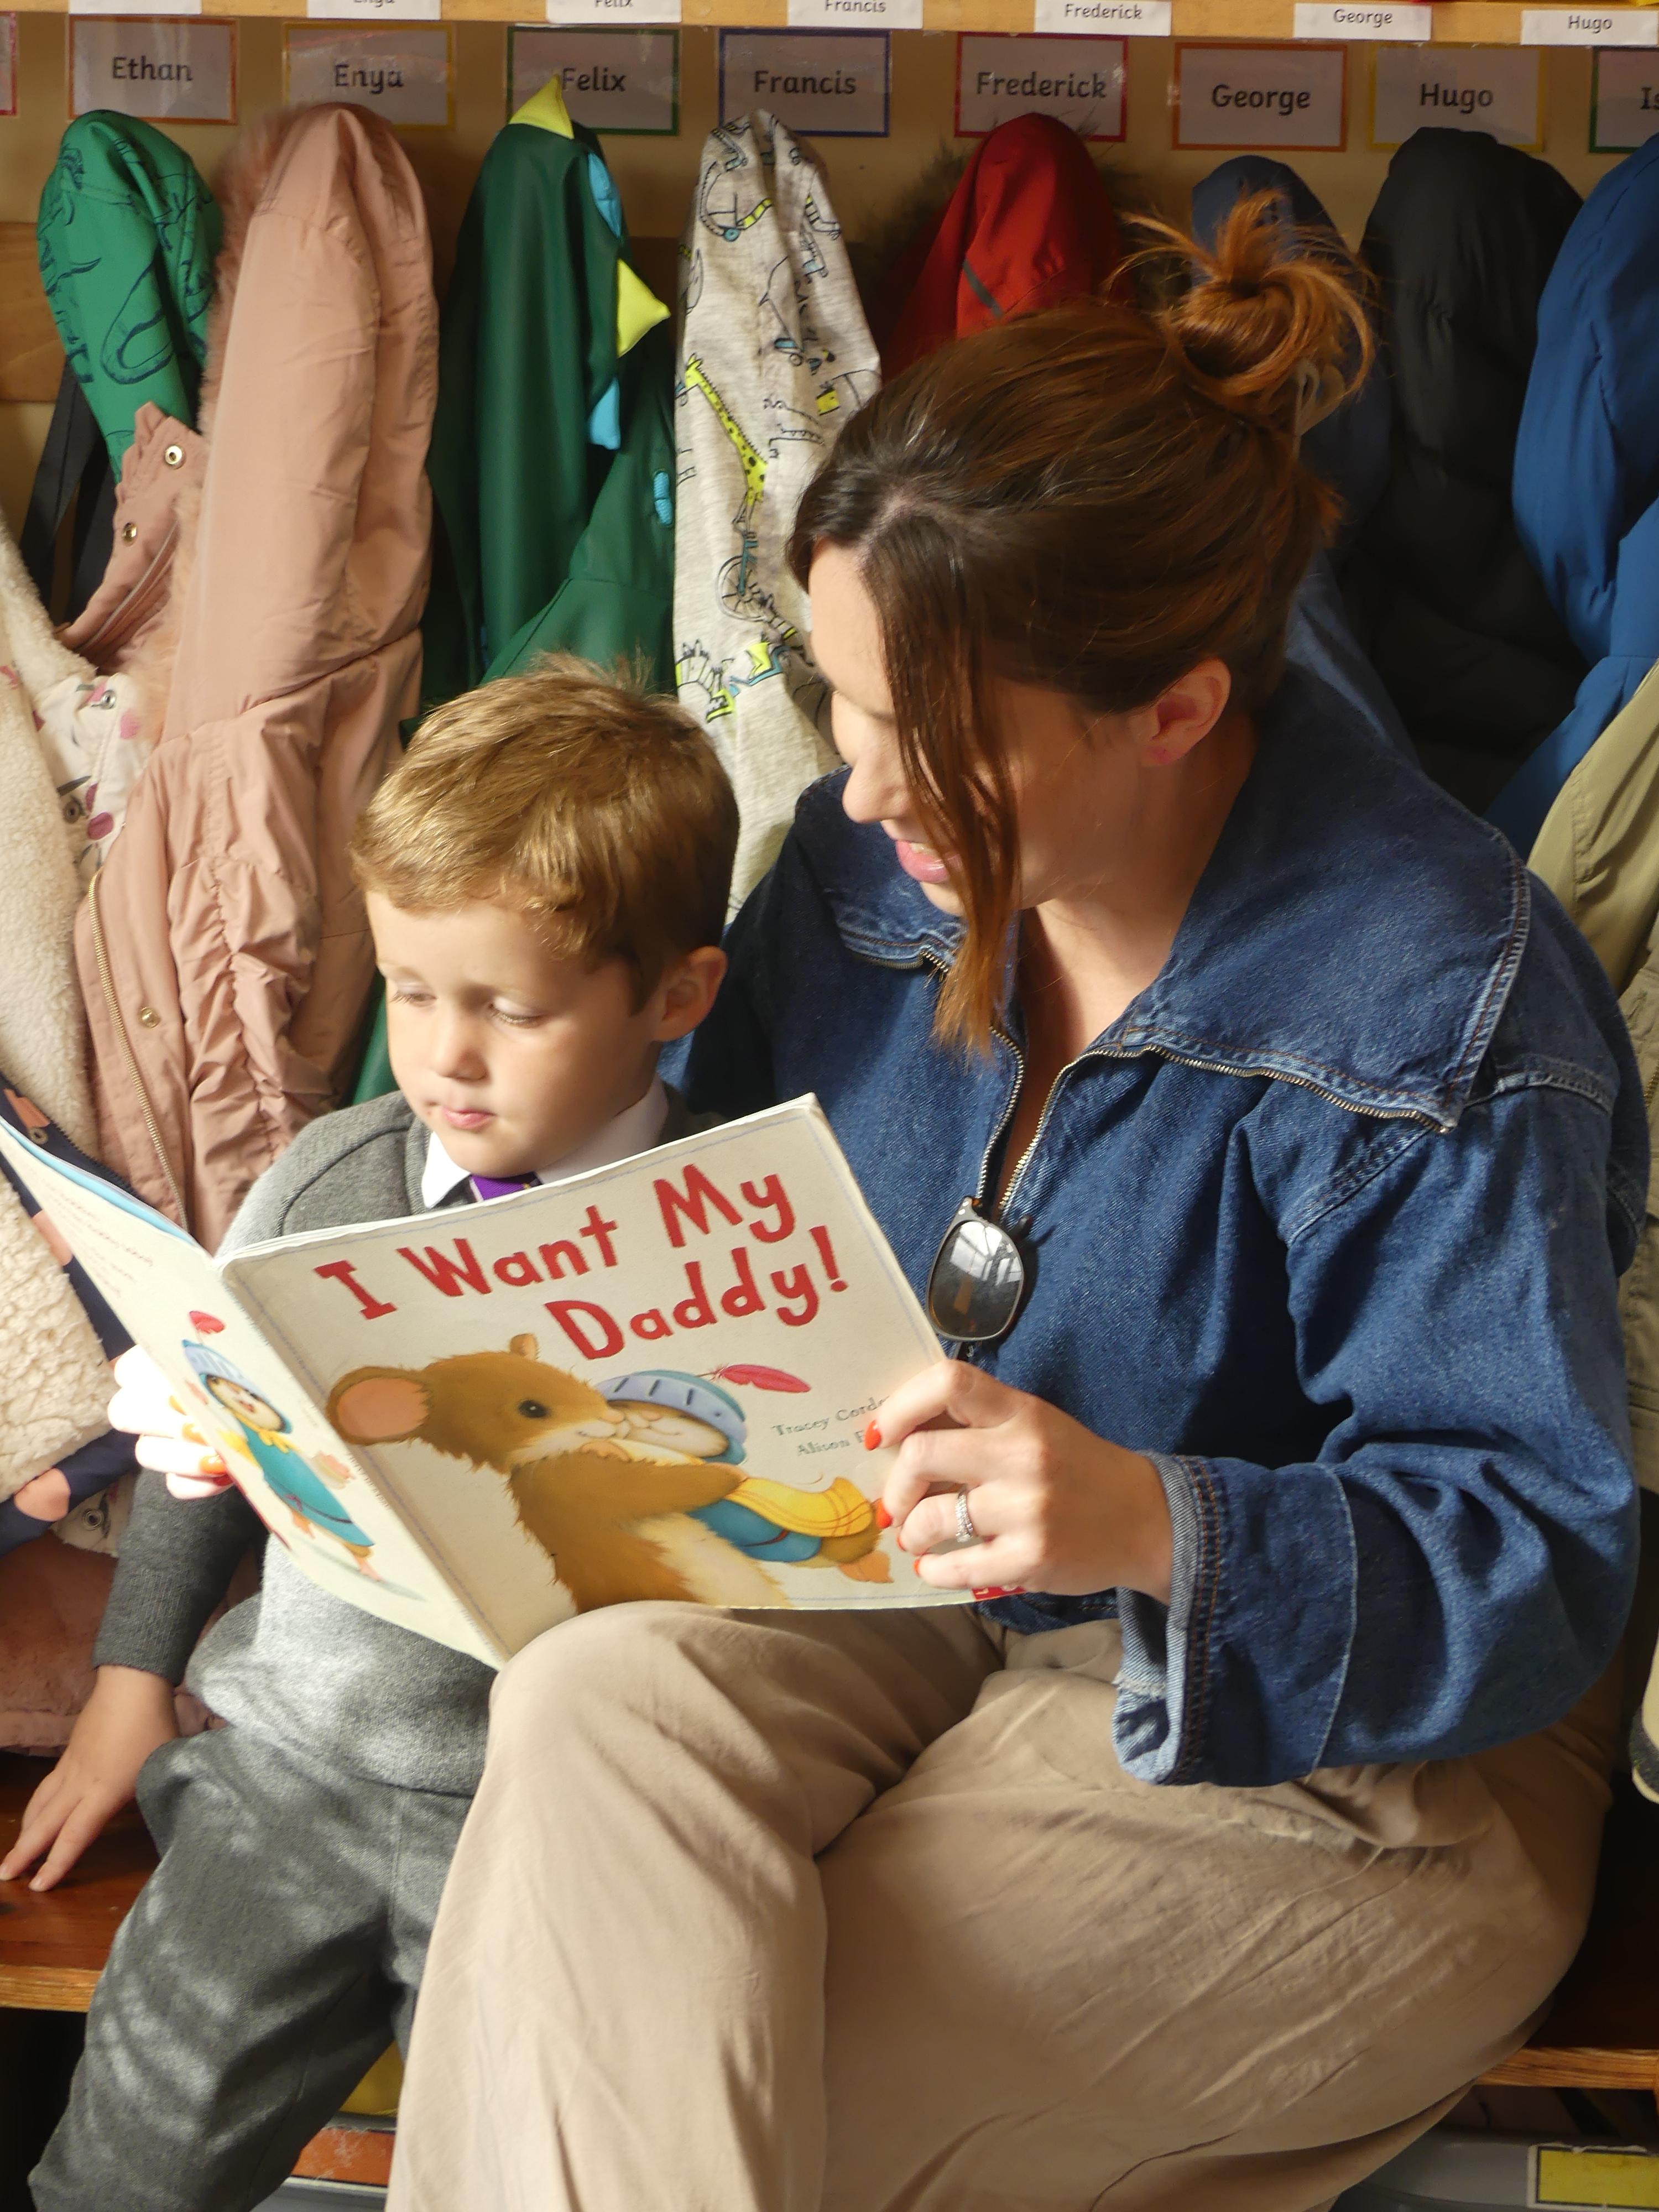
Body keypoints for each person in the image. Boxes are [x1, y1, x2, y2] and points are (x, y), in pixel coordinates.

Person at [382, 202, 1647, 2211]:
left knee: (686, 2086)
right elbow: (713, 1204)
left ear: (1177, 711)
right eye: (841, 701)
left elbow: (1537, 1564)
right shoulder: (875, 859)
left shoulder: (1442, 1006)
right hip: (909, 1589)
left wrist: (1151, 1517)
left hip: (1356, 1752)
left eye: (934, 740)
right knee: (596, 1709)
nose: (860, 788)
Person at [2, 658, 738, 2212]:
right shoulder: (331, 1174)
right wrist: (130, 1690)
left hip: (556, 1815)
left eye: (509, 1010)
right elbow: (216, 1430)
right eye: (410, 992)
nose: (446, 1056)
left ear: (677, 998)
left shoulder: (733, 1227)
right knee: (118, 2172)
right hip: (295, 1771)